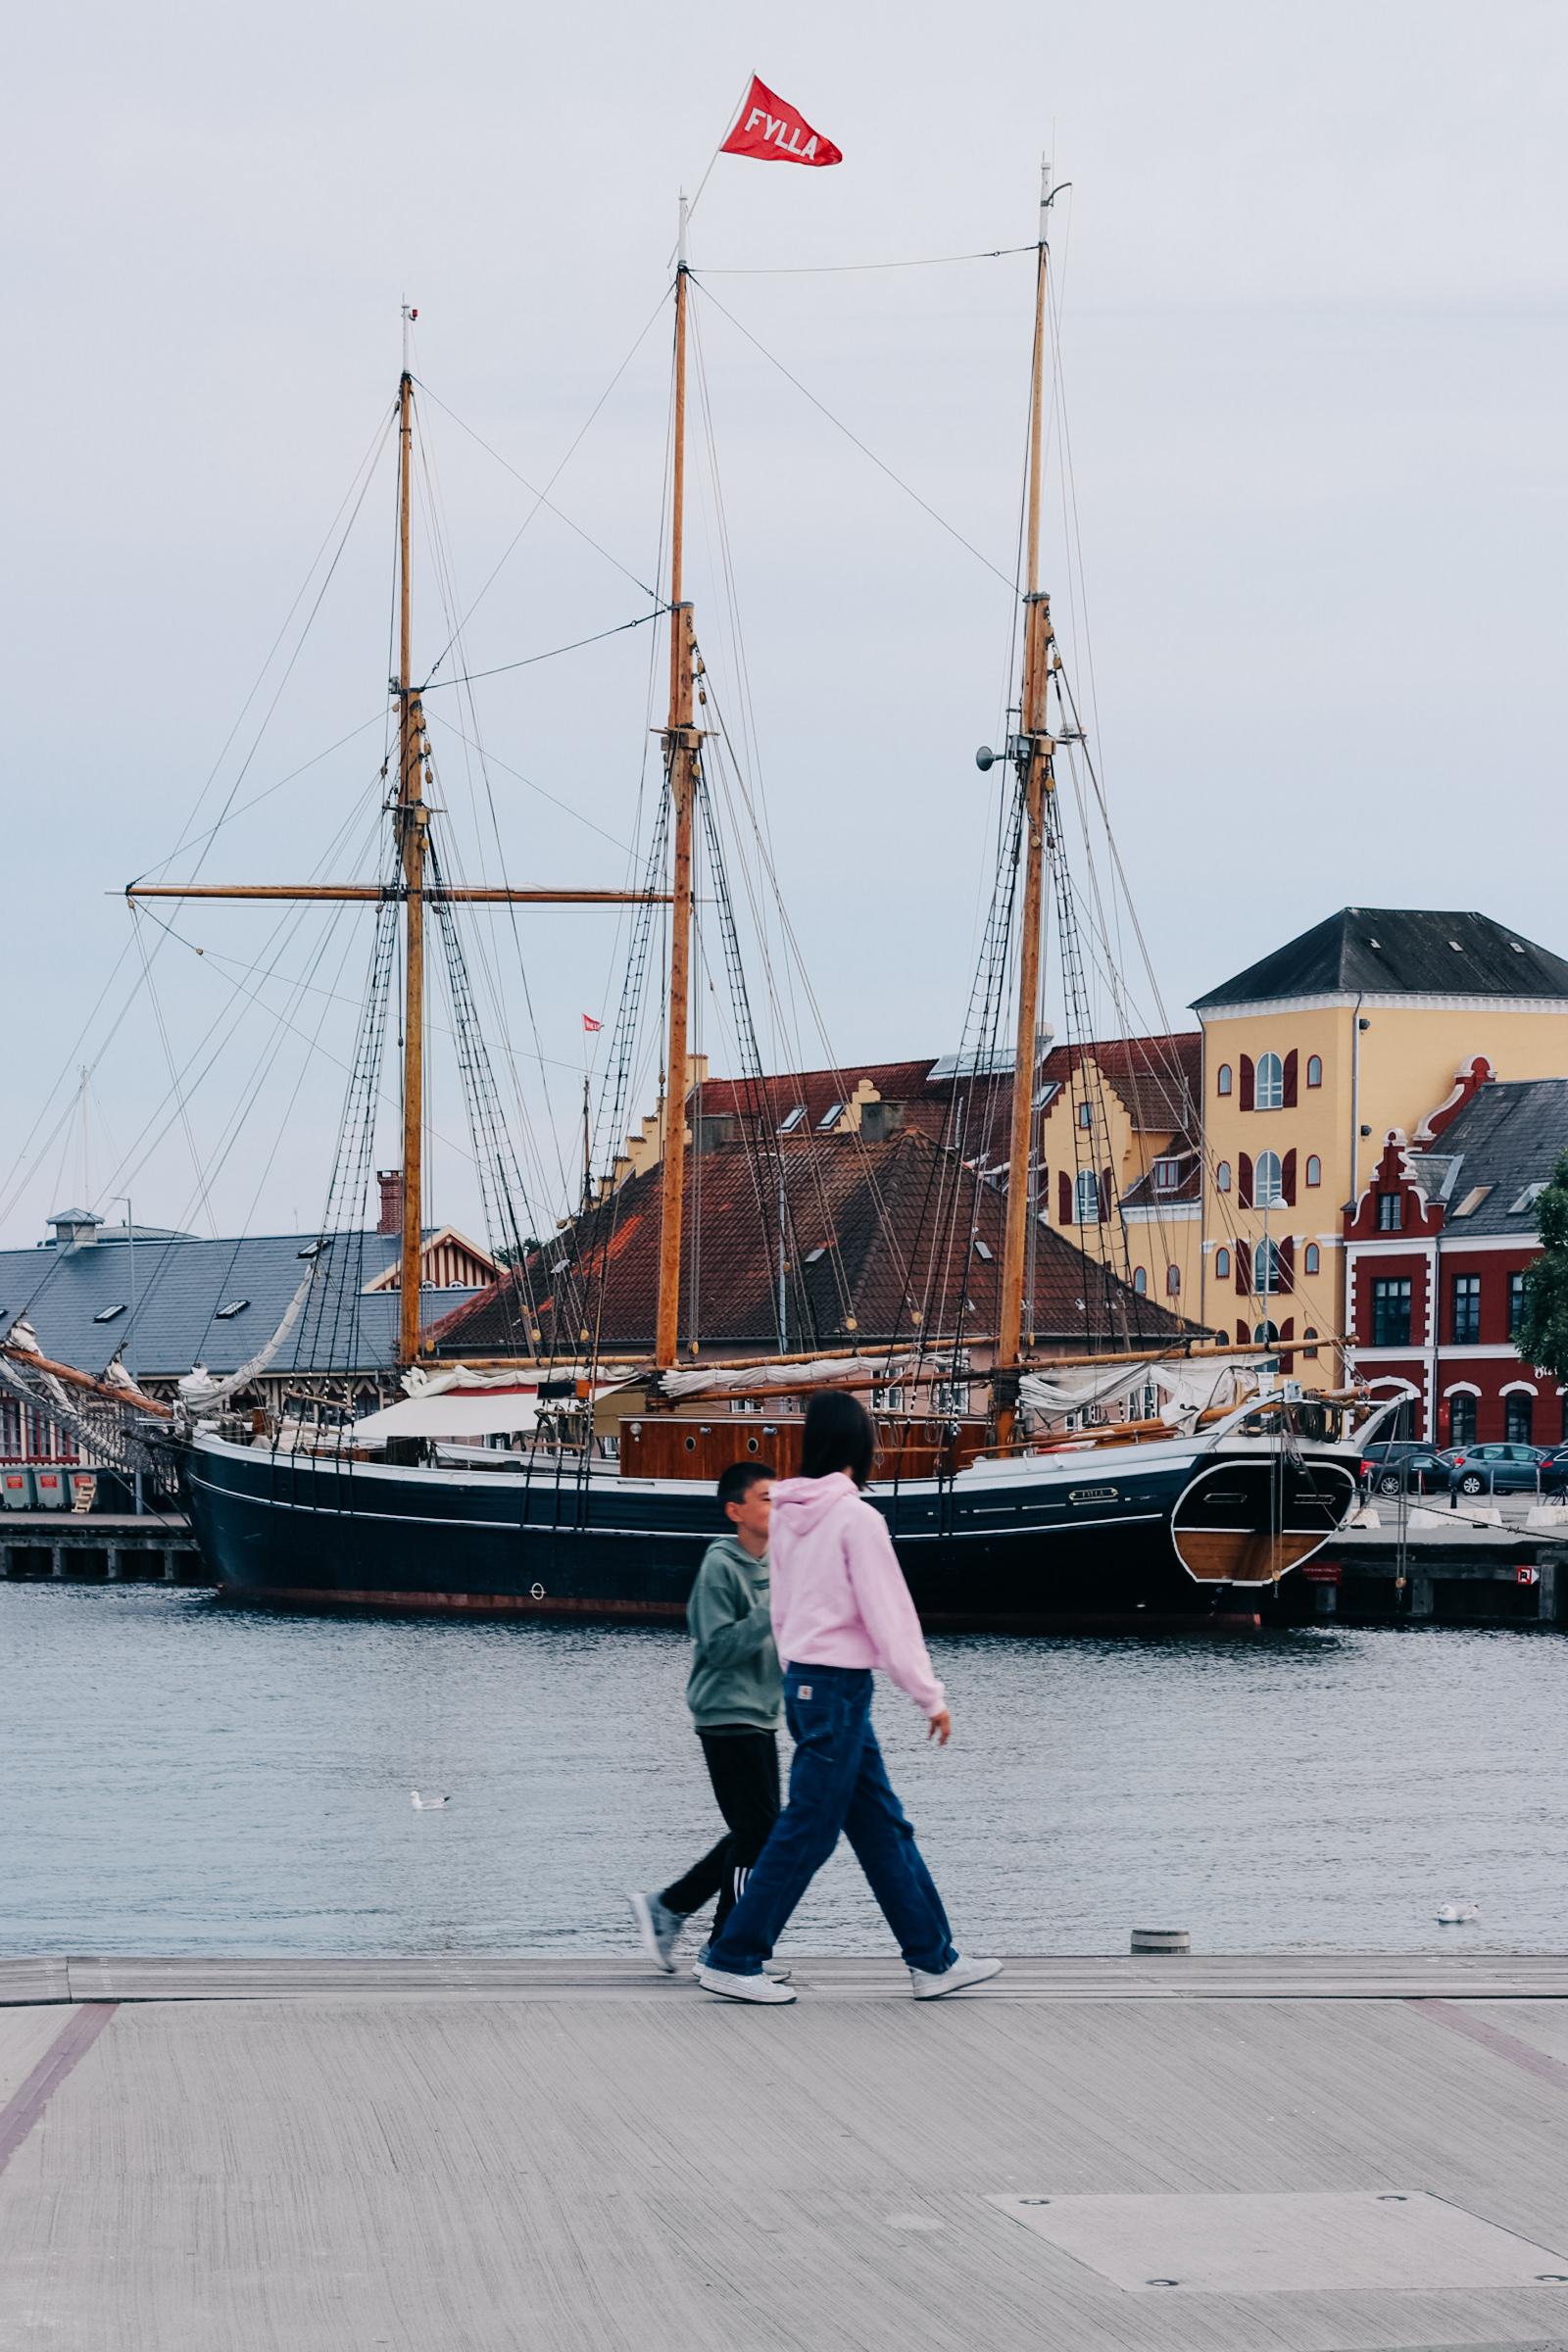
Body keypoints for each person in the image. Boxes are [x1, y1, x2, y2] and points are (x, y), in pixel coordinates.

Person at [696, 1391, 1002, 2007]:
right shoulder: (857, 1519)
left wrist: (794, 1674)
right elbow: (888, 1613)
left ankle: (934, 1960)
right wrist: (928, 1694)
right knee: (809, 1830)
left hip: (813, 1683)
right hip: (836, 1687)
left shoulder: (788, 1514)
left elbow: (781, 1607)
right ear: (860, 1448)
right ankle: (733, 1955)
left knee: (884, 1827)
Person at [629, 1460, 789, 1979]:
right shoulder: (720, 1566)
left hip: (762, 1714)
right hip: (725, 1713)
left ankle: (672, 1908)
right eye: (765, 1498)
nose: (776, 1505)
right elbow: (718, 1648)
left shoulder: (779, 1562)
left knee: (758, 1830)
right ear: (735, 1511)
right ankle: (725, 1948)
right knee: (758, 1833)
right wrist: (772, 1610)